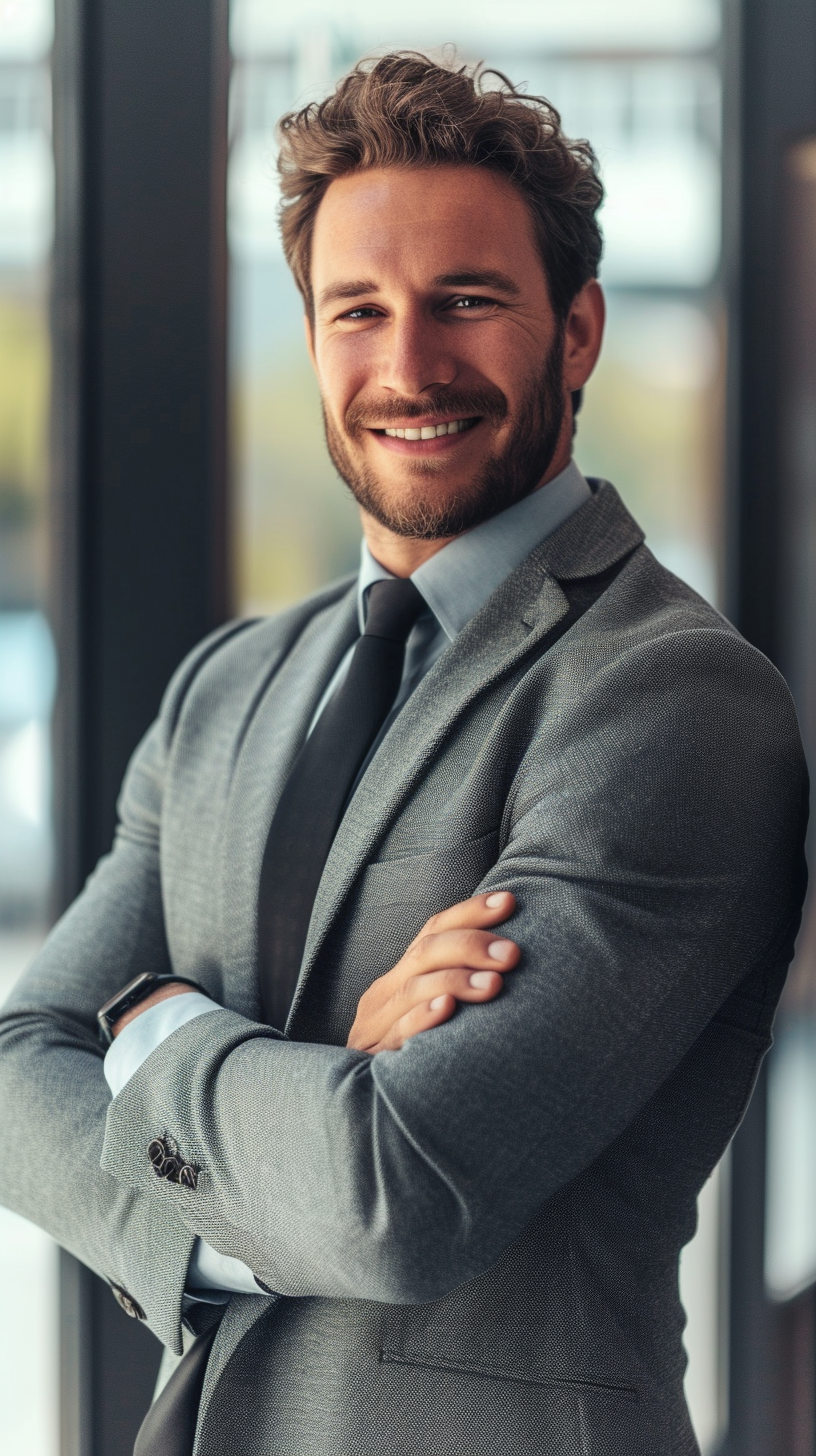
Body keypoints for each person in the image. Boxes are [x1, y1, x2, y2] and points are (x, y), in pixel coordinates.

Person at [0, 52, 808, 1456]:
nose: (409, 365)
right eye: (358, 310)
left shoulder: (676, 703)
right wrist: (254, 1206)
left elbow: (397, 1194)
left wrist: (161, 1034)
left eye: (469, 302)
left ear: (578, 331)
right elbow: (16, 1068)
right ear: (310, 335)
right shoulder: (229, 685)